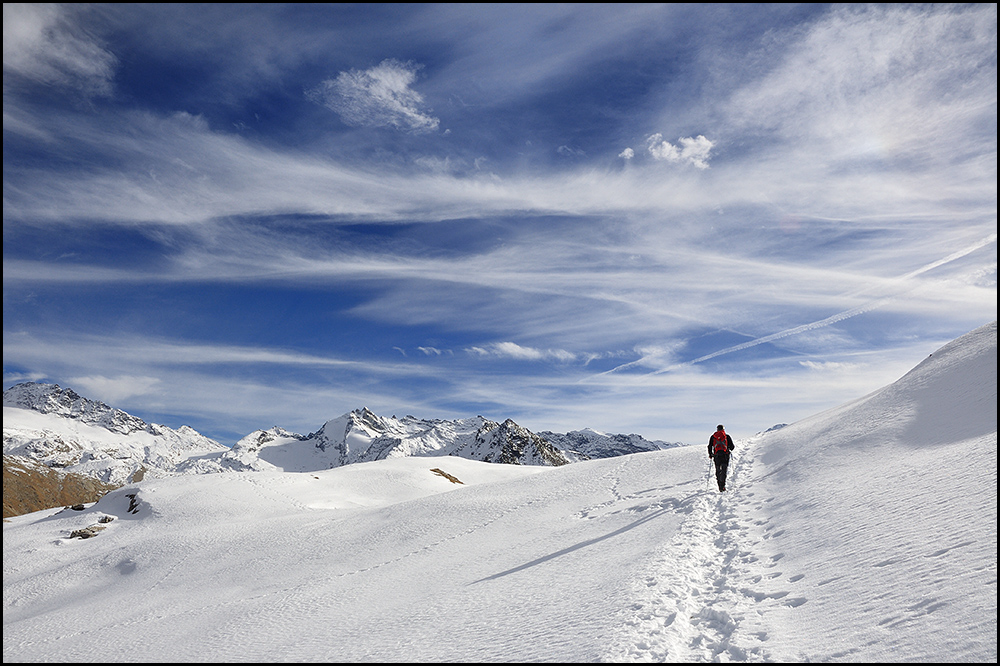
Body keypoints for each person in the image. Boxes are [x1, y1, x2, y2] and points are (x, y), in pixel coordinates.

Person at [708, 425, 735, 492]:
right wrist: (728, 448)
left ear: (717, 429)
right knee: (724, 470)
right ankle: (723, 486)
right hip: (725, 456)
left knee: (718, 470)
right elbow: (732, 447)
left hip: (716, 456)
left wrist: (710, 454)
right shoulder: (727, 436)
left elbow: (709, 446)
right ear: (723, 429)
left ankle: (719, 485)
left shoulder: (713, 437)